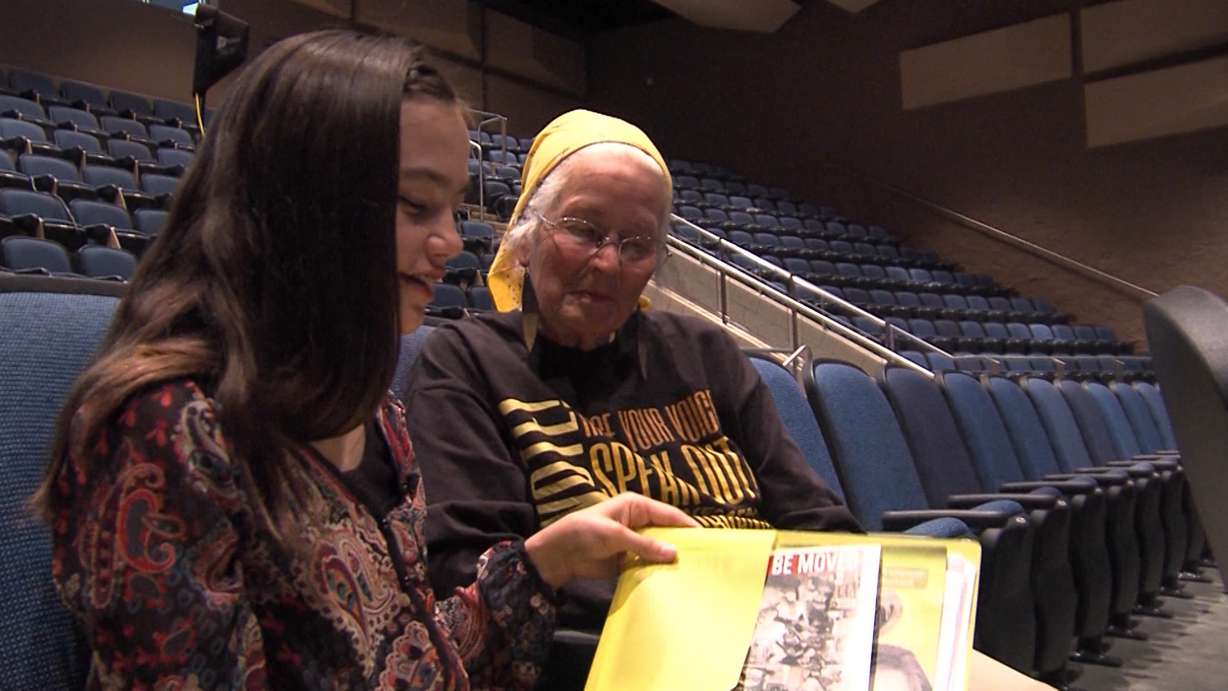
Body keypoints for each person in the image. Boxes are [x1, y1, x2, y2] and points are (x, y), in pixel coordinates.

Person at [32, 31, 694, 689]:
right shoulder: (166, 430)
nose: (448, 241)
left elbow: (412, 657)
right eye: (416, 205)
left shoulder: (372, 406)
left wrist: (549, 560)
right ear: (301, 194)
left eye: (451, 208)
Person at [402, 109, 861, 634]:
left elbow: (816, 521)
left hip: (776, 630)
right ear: (524, 238)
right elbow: (471, 578)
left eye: (636, 244)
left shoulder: (706, 351)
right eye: (583, 230)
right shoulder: (467, 362)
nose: (608, 263)